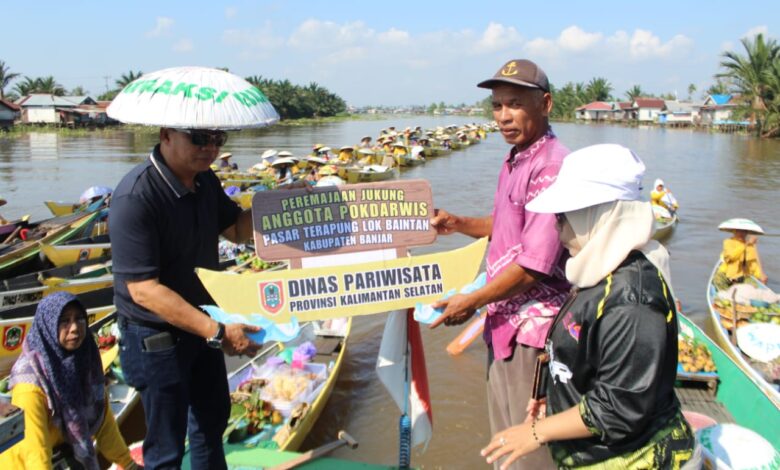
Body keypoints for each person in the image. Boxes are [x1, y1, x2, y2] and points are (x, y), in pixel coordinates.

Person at [482, 144, 697, 470]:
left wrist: (537, 432)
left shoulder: (632, 302)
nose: (557, 228)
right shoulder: (599, 269)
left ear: (597, 215)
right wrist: (548, 394)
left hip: (634, 459)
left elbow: (618, 407)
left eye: (562, 216)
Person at [430, 59, 569, 469]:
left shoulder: (551, 165)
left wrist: (471, 300)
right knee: (503, 438)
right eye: (496, 105)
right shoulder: (517, 157)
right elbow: (509, 226)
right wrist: (457, 224)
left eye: (514, 104)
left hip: (535, 329)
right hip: (504, 317)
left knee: (530, 443)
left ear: (544, 104)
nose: (503, 116)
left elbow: (534, 265)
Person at [109, 127, 262, 470]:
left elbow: (236, 230)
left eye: (217, 140)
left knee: (211, 424)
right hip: (156, 336)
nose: (209, 148)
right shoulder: (136, 197)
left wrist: (277, 204)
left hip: (202, 322)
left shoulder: (205, 181)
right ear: (166, 136)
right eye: (198, 138)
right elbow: (143, 290)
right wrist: (219, 332)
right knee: (166, 445)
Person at [0, 292, 138, 470]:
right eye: (64, 321)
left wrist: (128, 463)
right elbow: (35, 452)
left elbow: (103, 423)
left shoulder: (84, 360)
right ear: (48, 325)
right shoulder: (30, 385)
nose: (74, 328)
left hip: (63, 451)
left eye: (79, 319)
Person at [716, 219, 767, 284]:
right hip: (726, 275)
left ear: (746, 233)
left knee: (753, 286)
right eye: (738, 231)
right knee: (721, 286)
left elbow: (753, 264)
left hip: (743, 277)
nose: (741, 233)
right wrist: (745, 245)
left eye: (744, 231)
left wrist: (760, 275)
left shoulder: (751, 246)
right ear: (734, 231)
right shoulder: (728, 242)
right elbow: (731, 257)